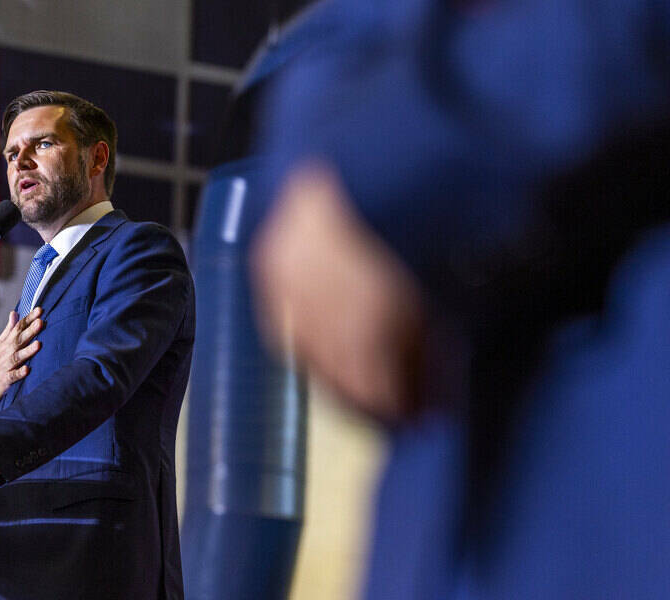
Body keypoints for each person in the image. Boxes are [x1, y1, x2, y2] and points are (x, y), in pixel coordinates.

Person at [250, 0, 670, 597]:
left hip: (615, 438)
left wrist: (375, 166)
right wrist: (308, 176)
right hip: (448, 480)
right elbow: (342, 28)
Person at [0, 91, 195, 599]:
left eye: (43, 144)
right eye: (12, 154)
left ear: (97, 157)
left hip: (93, 558)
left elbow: (102, 373)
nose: (21, 163)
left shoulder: (139, 250)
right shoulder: (43, 277)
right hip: (15, 556)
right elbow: (6, 456)